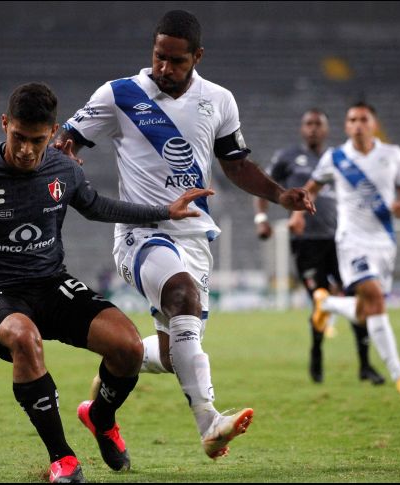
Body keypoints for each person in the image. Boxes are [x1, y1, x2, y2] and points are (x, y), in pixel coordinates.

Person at [0, 82, 213, 482]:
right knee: (24, 339)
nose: (26, 149)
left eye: (37, 140)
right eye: (18, 137)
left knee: (127, 347)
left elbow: (96, 207)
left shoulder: (63, 169)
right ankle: (63, 458)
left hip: (51, 283)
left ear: (53, 132)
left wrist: (165, 211)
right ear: (5, 124)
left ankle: (100, 417)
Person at [54, 10, 315, 459]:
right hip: (140, 232)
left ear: (197, 56)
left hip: (194, 238)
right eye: (159, 57)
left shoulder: (219, 100)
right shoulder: (120, 94)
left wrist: (279, 196)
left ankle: (105, 397)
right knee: (182, 294)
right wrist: (67, 154)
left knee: (177, 353)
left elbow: (234, 164)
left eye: (176, 61)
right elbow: (69, 136)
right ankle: (210, 423)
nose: (164, 69)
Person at [296, 101, 400, 396]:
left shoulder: (392, 155)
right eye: (352, 119)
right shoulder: (336, 157)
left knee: (367, 310)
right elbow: (310, 188)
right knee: (376, 301)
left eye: (363, 119)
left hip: (384, 241)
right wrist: (297, 214)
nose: (357, 124)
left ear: (373, 124)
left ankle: (326, 303)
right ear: (346, 126)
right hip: (351, 242)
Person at [253, 109, 384, 385]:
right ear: (303, 129)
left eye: (318, 125)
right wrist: (262, 219)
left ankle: (365, 365)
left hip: (341, 242)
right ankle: (317, 355)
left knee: (358, 296)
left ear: (326, 130)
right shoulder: (287, 158)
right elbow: (262, 188)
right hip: (306, 243)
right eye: (308, 124)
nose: (313, 129)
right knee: (320, 298)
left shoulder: (339, 159)